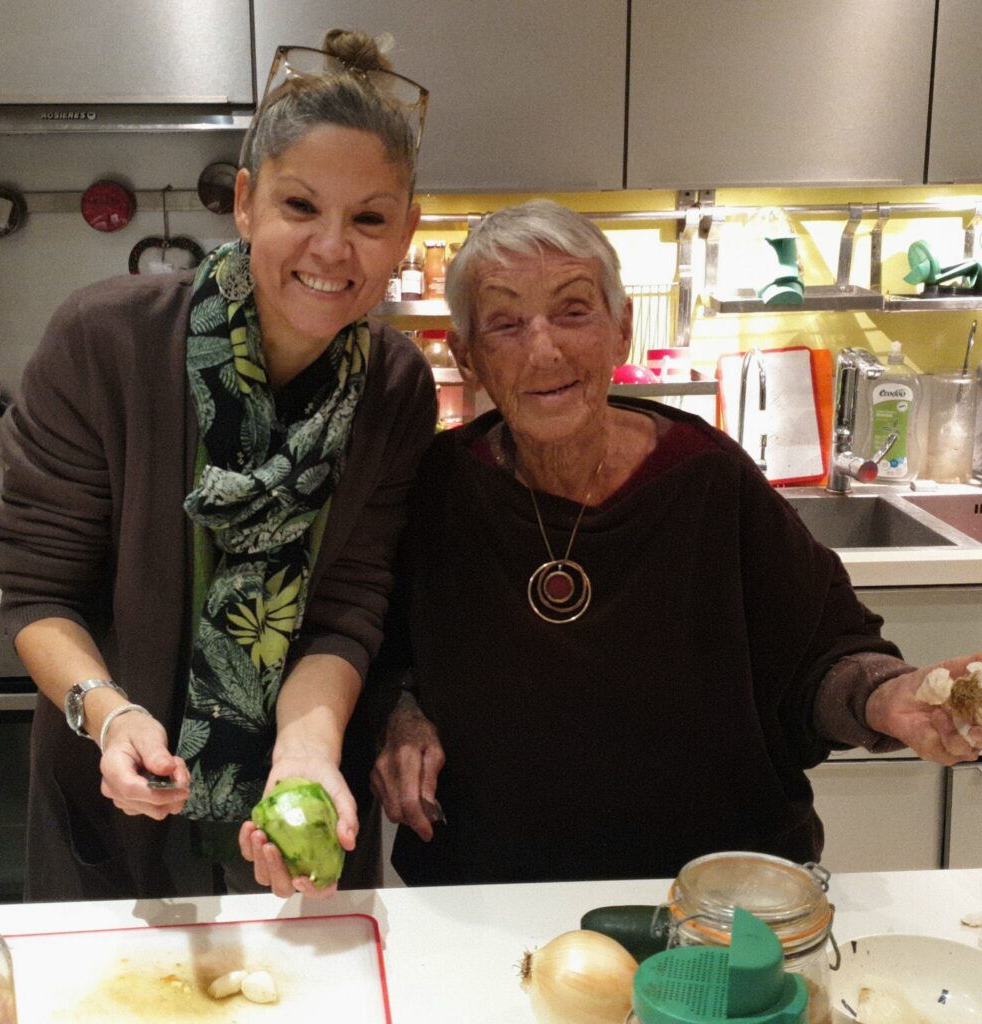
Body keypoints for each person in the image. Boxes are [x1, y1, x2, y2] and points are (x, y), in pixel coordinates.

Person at [368, 199, 982, 886]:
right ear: (468, 356)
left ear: (621, 330)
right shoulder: (436, 490)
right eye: (506, 324)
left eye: (574, 311)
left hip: (716, 891)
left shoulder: (707, 477)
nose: (545, 350)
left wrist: (885, 698)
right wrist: (399, 711)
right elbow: (377, 649)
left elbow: (821, 654)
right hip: (493, 892)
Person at [0, 30, 437, 901]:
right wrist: (108, 713)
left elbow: (347, 606)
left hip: (300, 813)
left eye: (370, 219)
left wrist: (305, 755)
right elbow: (40, 595)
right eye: (301, 206)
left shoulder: (394, 387)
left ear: (406, 232)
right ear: (245, 202)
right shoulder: (104, 340)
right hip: (112, 799)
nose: (332, 249)